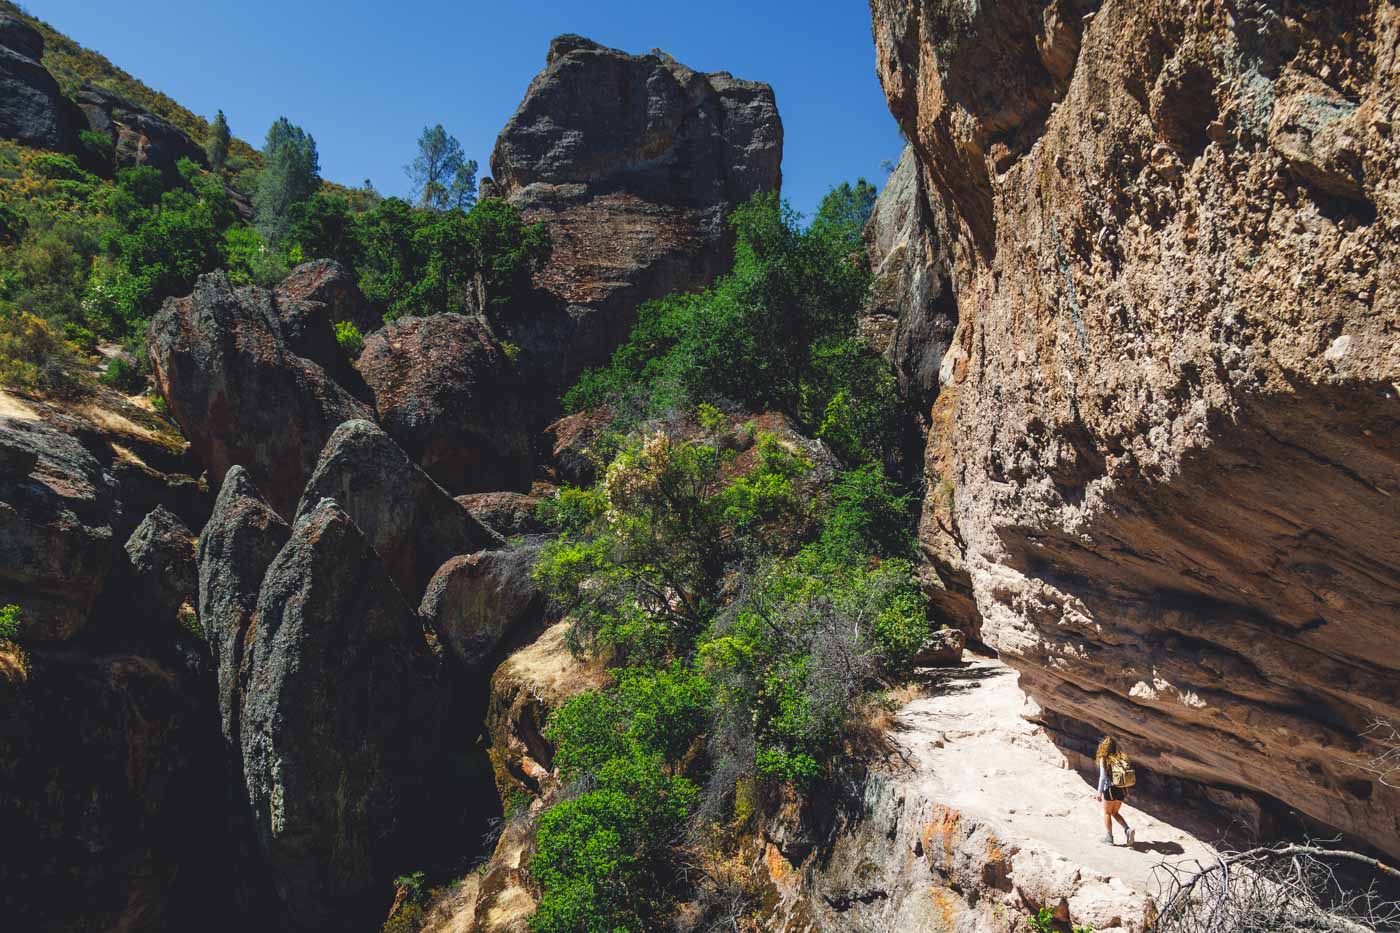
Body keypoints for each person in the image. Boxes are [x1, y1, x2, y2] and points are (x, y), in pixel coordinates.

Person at [1096, 736, 1135, 846]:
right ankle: (1127, 830)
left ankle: (1109, 838)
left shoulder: (1105, 759)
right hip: (1121, 789)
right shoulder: (1121, 758)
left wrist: (1099, 792)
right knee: (1115, 812)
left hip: (1110, 789)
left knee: (1107, 812)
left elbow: (1102, 777)